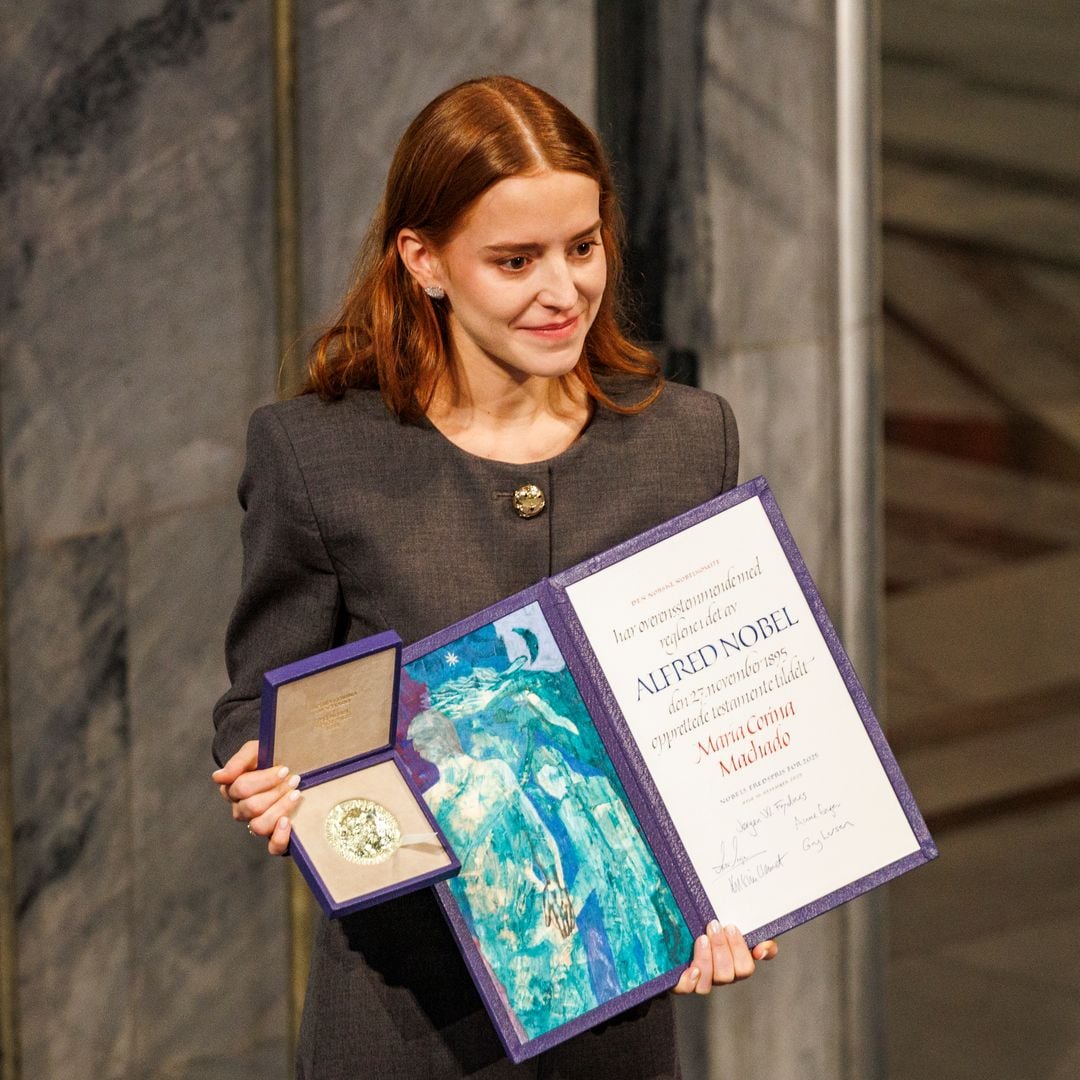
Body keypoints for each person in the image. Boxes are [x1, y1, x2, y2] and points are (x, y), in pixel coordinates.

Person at [211, 74, 777, 1079]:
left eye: (582, 247)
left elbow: (717, 719)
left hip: (615, 1021)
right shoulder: (319, 456)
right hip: (404, 1019)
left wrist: (744, 884)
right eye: (516, 261)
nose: (562, 291)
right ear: (424, 261)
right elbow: (263, 704)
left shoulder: (686, 443)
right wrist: (265, 768)